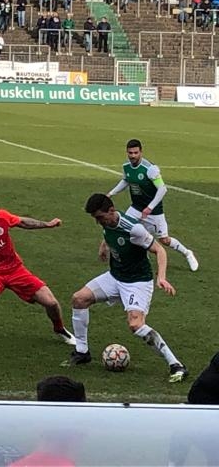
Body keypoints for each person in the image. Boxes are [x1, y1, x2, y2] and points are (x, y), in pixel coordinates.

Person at [63, 193, 187, 383]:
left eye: (99, 217)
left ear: (111, 211)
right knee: (79, 299)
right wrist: (104, 246)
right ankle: (82, 352)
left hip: (137, 282)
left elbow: (159, 250)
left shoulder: (134, 229)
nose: (98, 222)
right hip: (115, 276)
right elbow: (109, 232)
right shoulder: (107, 223)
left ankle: (176, 365)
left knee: (136, 325)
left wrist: (161, 277)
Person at [0, 194, 76, 351]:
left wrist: (47, 224)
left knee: (51, 303)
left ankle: (60, 329)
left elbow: (23, 222)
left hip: (14, 269)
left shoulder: (1, 216)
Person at [106, 139, 197, 271]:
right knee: (125, 229)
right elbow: (126, 180)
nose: (133, 156)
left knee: (164, 240)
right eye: (130, 153)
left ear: (141, 152)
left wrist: (150, 207)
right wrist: (111, 193)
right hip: (136, 207)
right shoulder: (126, 166)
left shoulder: (150, 169)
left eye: (136, 153)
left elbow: (162, 189)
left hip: (154, 211)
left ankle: (187, 253)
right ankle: (133, 258)